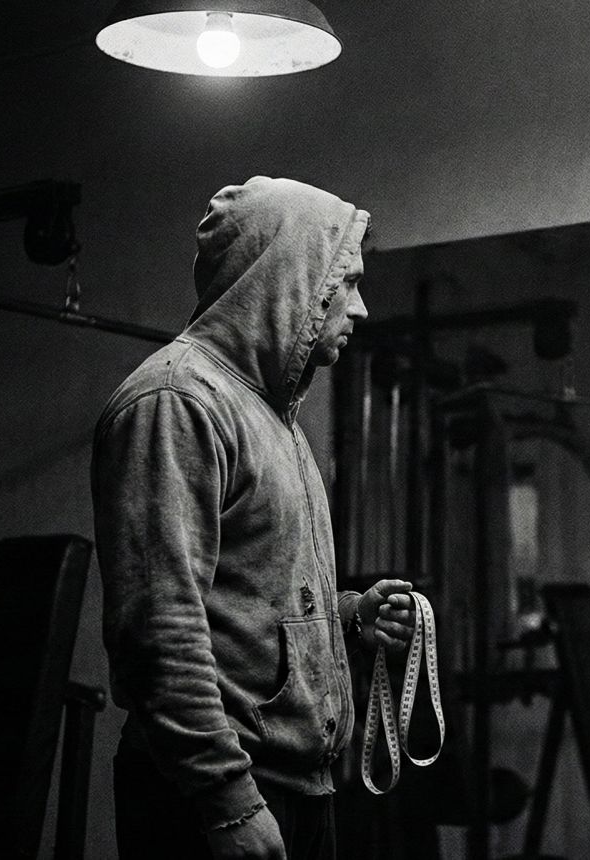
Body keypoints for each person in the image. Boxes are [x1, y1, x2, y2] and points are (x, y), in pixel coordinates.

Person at [91, 177, 417, 860]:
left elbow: (248, 598)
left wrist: (350, 614)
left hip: (295, 785)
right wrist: (228, 804)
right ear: (292, 276)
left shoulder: (275, 417)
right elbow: (160, 631)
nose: (360, 308)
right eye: (346, 282)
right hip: (219, 793)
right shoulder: (176, 399)